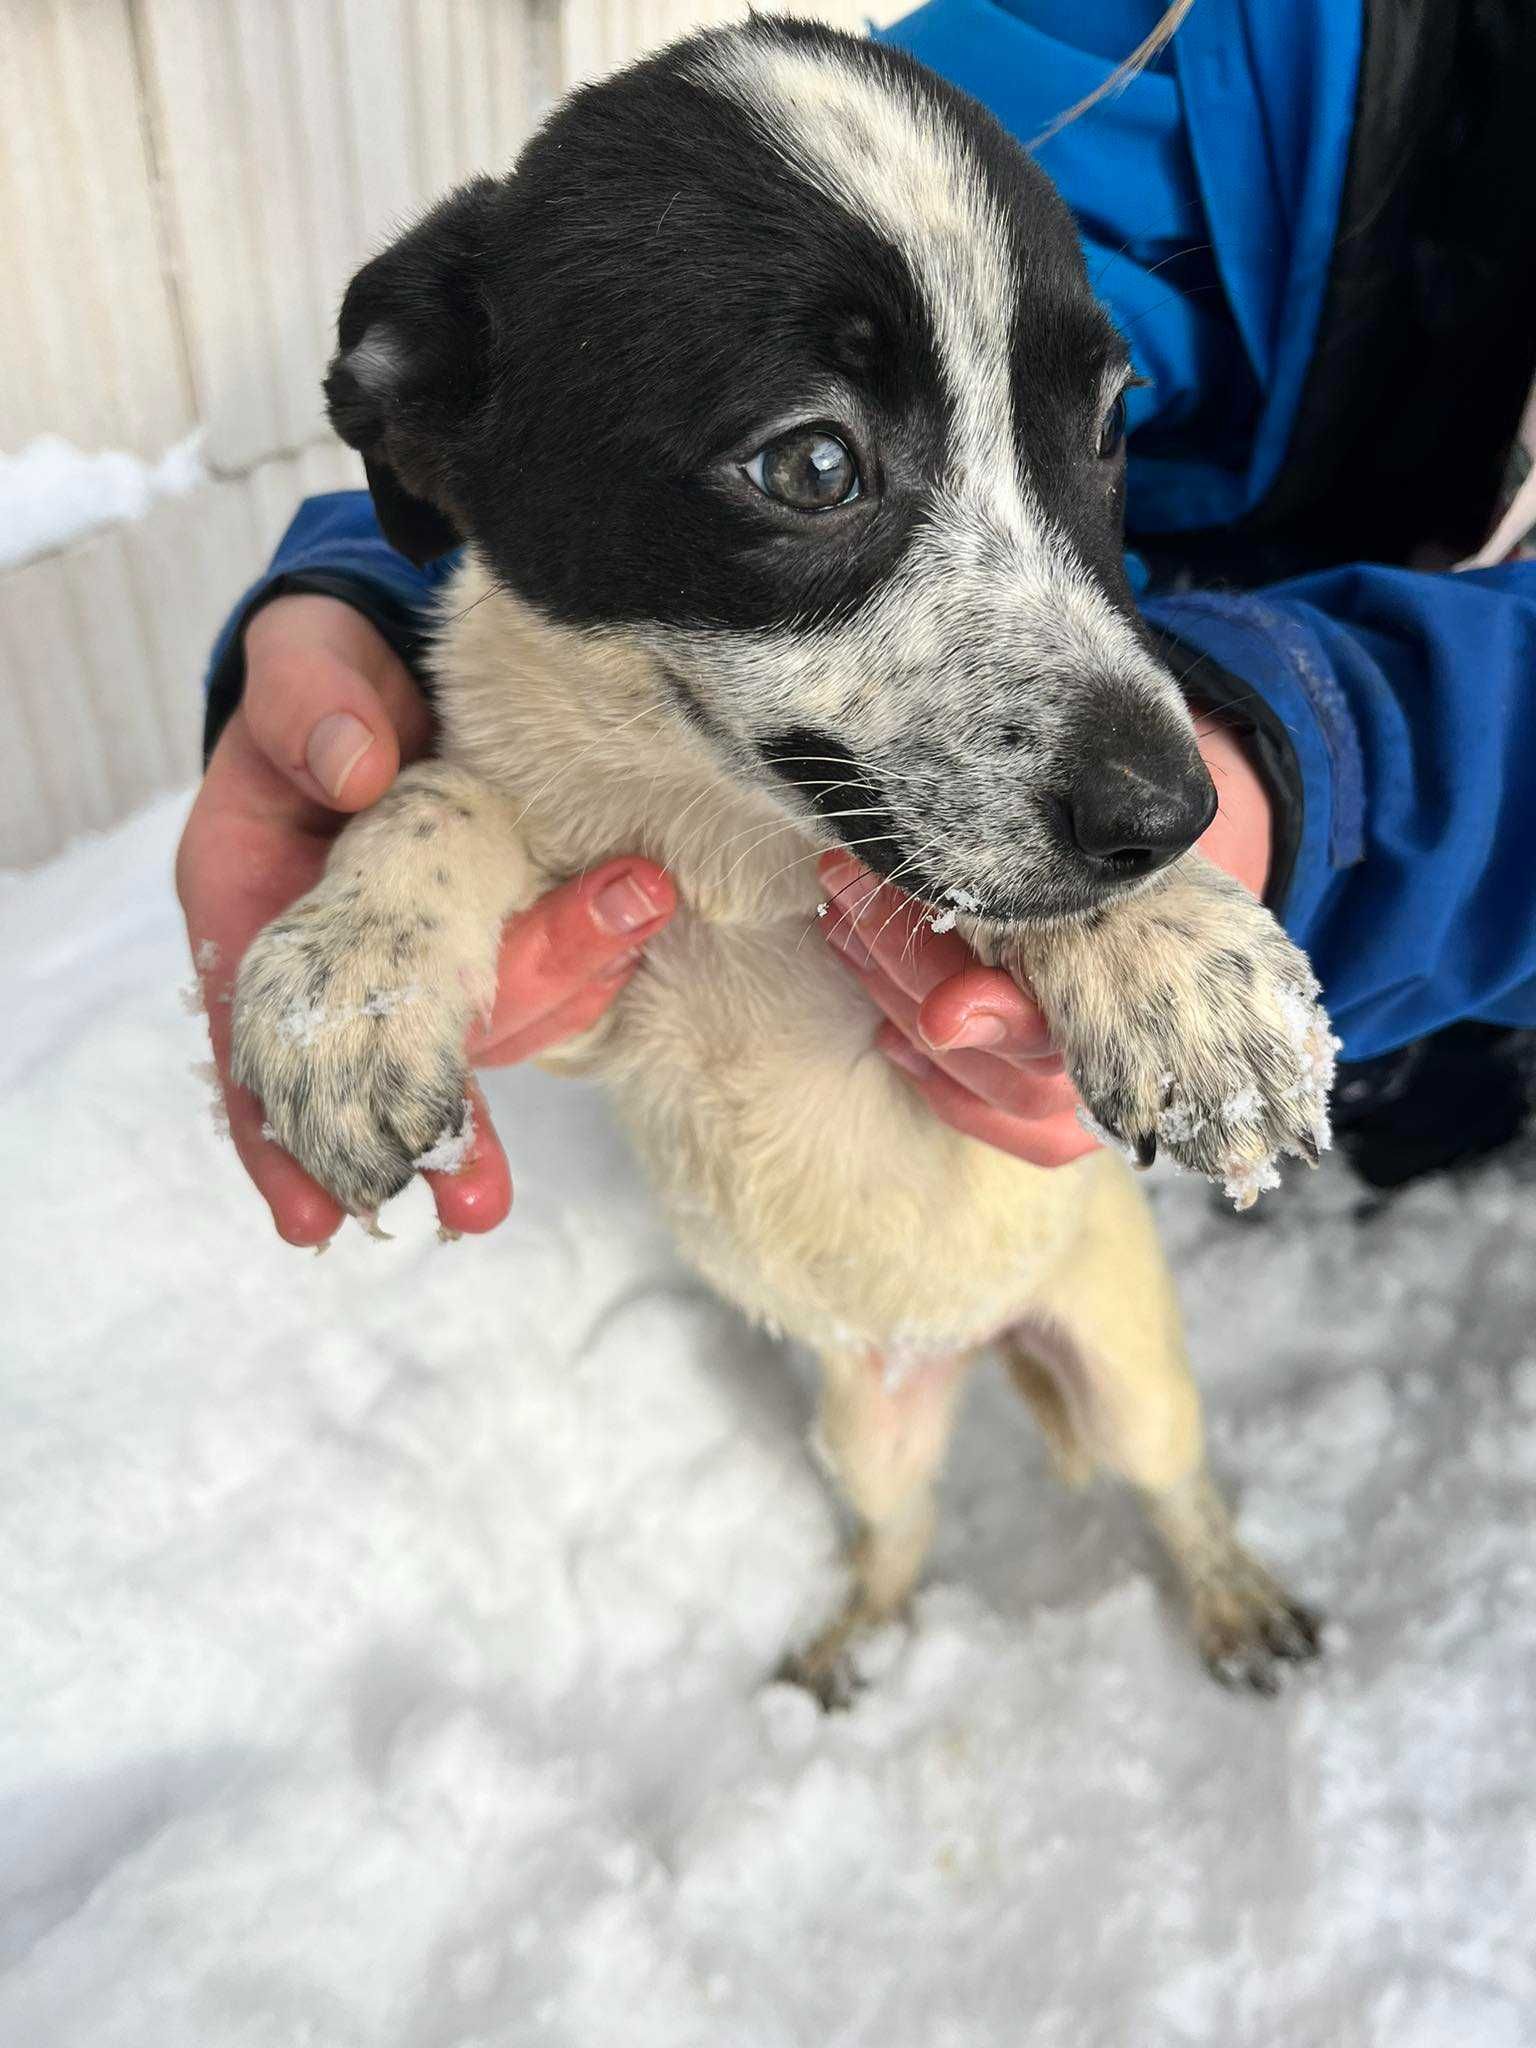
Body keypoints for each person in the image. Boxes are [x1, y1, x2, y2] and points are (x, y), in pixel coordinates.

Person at [178, 0, 1536, 1247]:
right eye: (814, 468)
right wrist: (362, 586)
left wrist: (1316, 792)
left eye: (1096, 431)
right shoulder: (1156, 32)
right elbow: (732, 262)